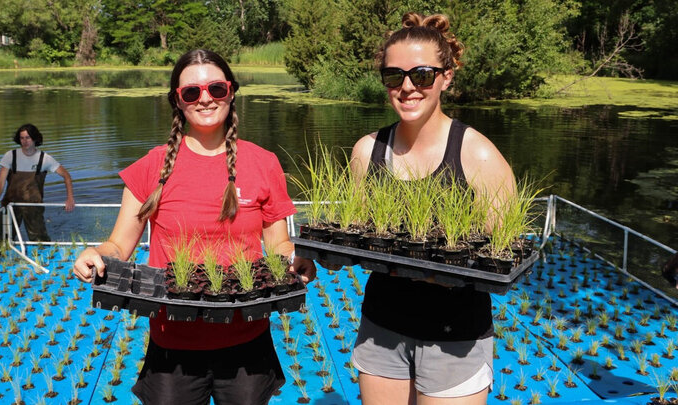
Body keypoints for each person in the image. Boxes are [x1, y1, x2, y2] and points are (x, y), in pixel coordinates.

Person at [72, 49, 316, 405]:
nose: (205, 99)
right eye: (191, 92)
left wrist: (296, 261)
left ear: (231, 92)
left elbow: (278, 245)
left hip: (247, 336)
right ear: (177, 101)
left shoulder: (263, 162)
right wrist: (95, 254)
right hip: (173, 341)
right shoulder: (152, 167)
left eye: (216, 89)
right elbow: (118, 246)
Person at [348, 12, 516, 405]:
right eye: (394, 76)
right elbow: (354, 233)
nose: (407, 88)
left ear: (447, 77)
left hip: (455, 336)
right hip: (381, 328)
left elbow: (501, 250)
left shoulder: (477, 154)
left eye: (422, 75)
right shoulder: (366, 151)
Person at [0, 123, 75, 241]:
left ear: (35, 138)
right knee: (3, 238)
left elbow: (67, 176)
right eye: (22, 138)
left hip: (33, 205)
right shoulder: (10, 156)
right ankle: (3, 258)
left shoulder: (45, 159)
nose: (25, 141)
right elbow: (0, 182)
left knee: (39, 240)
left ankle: (42, 257)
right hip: (10, 205)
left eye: (28, 138)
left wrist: (70, 198)